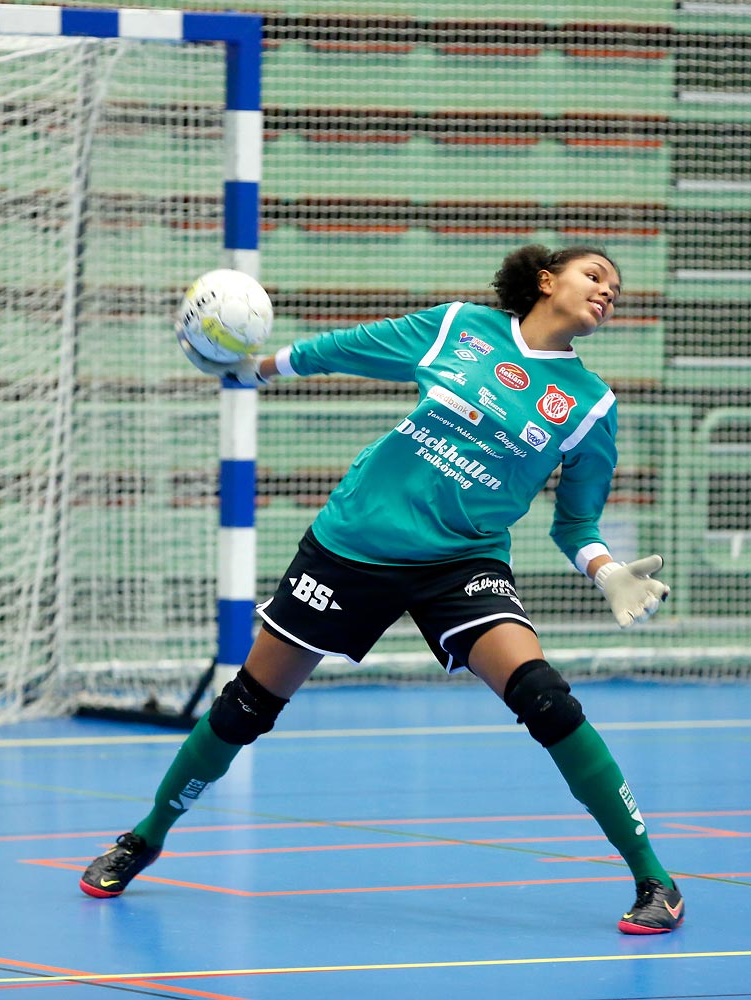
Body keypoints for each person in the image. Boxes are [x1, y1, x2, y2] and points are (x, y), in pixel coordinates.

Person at [79, 244, 682, 934]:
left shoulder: (590, 406)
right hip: (356, 540)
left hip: (463, 560)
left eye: (616, 287)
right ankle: (146, 836)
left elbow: (576, 522)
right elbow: (353, 347)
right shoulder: (461, 329)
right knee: (247, 705)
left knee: (544, 698)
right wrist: (257, 369)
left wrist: (606, 570)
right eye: (594, 275)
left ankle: (654, 878)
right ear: (547, 281)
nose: (607, 290)